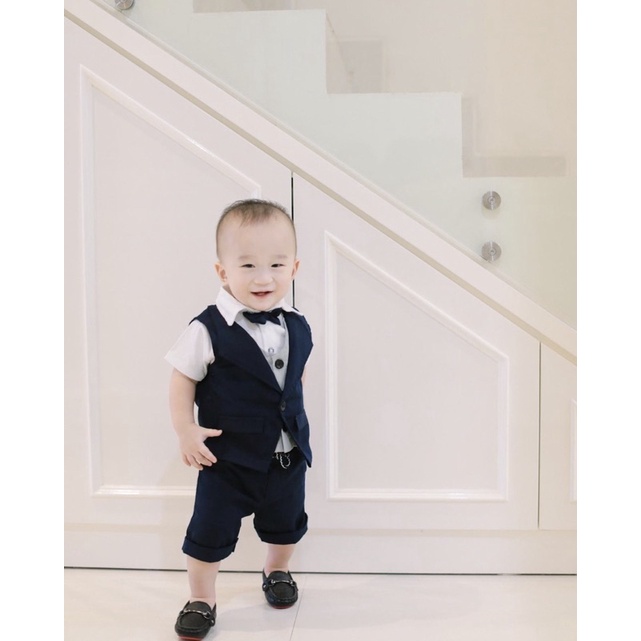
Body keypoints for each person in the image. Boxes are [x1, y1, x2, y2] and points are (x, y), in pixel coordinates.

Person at [165, 198, 313, 640]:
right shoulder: (206, 329)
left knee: (286, 526)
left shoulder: (298, 324)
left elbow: (294, 379)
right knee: (208, 533)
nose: (263, 277)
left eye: (276, 264)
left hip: (285, 456)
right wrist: (185, 429)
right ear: (223, 271)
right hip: (226, 460)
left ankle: (276, 570)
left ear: (294, 268)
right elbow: (181, 379)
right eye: (247, 265)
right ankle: (201, 597)